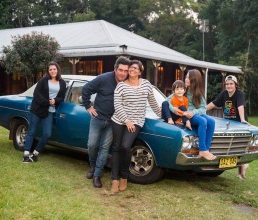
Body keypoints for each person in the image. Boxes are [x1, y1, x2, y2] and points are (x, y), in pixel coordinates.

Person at [110, 60, 161, 193]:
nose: (132, 70)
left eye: (135, 68)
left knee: (125, 146)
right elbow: (118, 105)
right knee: (116, 148)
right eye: (131, 68)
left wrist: (163, 114)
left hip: (137, 121)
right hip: (119, 120)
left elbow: (153, 102)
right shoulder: (121, 86)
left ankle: (124, 177)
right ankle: (114, 180)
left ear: (140, 71)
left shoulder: (146, 85)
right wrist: (126, 120)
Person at [82, 56, 131, 188]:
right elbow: (86, 89)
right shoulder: (104, 78)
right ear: (115, 69)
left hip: (113, 121)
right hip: (97, 118)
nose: (122, 73)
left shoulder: (128, 83)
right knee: (92, 145)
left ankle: (97, 175)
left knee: (104, 148)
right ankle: (92, 167)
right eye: (120, 70)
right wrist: (88, 106)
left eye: (125, 71)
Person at [206, 75, 249, 179]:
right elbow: (214, 103)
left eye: (231, 84)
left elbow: (240, 106)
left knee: (240, 147)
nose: (229, 86)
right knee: (229, 147)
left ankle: (243, 166)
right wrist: (201, 110)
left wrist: (243, 120)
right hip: (228, 124)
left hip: (239, 124)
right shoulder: (224, 94)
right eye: (227, 84)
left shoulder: (239, 94)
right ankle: (239, 167)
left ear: (235, 85)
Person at [22, 62, 66, 163]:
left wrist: (55, 101)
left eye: (54, 69)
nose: (52, 71)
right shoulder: (43, 80)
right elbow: (36, 94)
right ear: (48, 71)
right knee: (31, 131)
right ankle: (26, 154)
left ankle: (35, 153)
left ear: (58, 70)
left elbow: (62, 97)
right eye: (50, 70)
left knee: (47, 134)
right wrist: (47, 102)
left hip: (49, 111)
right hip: (37, 109)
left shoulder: (62, 83)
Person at [169, 69, 216, 160]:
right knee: (203, 121)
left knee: (211, 121)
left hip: (194, 114)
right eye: (186, 77)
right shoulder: (182, 90)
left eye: (188, 77)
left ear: (194, 80)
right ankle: (202, 150)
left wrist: (193, 112)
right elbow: (167, 101)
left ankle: (206, 149)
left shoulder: (198, 93)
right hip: (185, 115)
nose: (185, 79)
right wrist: (175, 110)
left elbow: (203, 108)